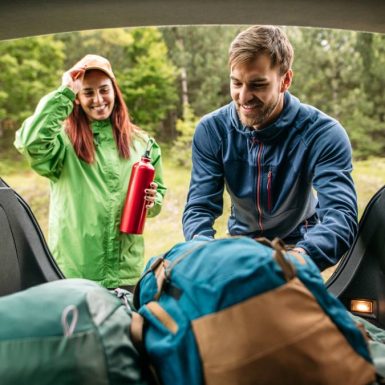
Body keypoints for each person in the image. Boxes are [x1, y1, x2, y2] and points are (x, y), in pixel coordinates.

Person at [182, 25, 358, 271]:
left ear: (285, 80)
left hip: (301, 245)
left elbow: (340, 216)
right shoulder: (212, 131)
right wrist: (205, 251)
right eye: (236, 83)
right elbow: (200, 207)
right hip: (241, 245)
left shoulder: (323, 133)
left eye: (257, 85)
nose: (243, 97)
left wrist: (297, 260)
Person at [14, 54, 166, 290]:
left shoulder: (143, 144)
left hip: (126, 272)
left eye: (104, 90)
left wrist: (151, 200)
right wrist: (64, 92)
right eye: (87, 92)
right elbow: (30, 142)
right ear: (77, 98)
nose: (98, 99)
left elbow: (157, 198)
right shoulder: (62, 142)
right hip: (74, 272)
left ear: (115, 91)